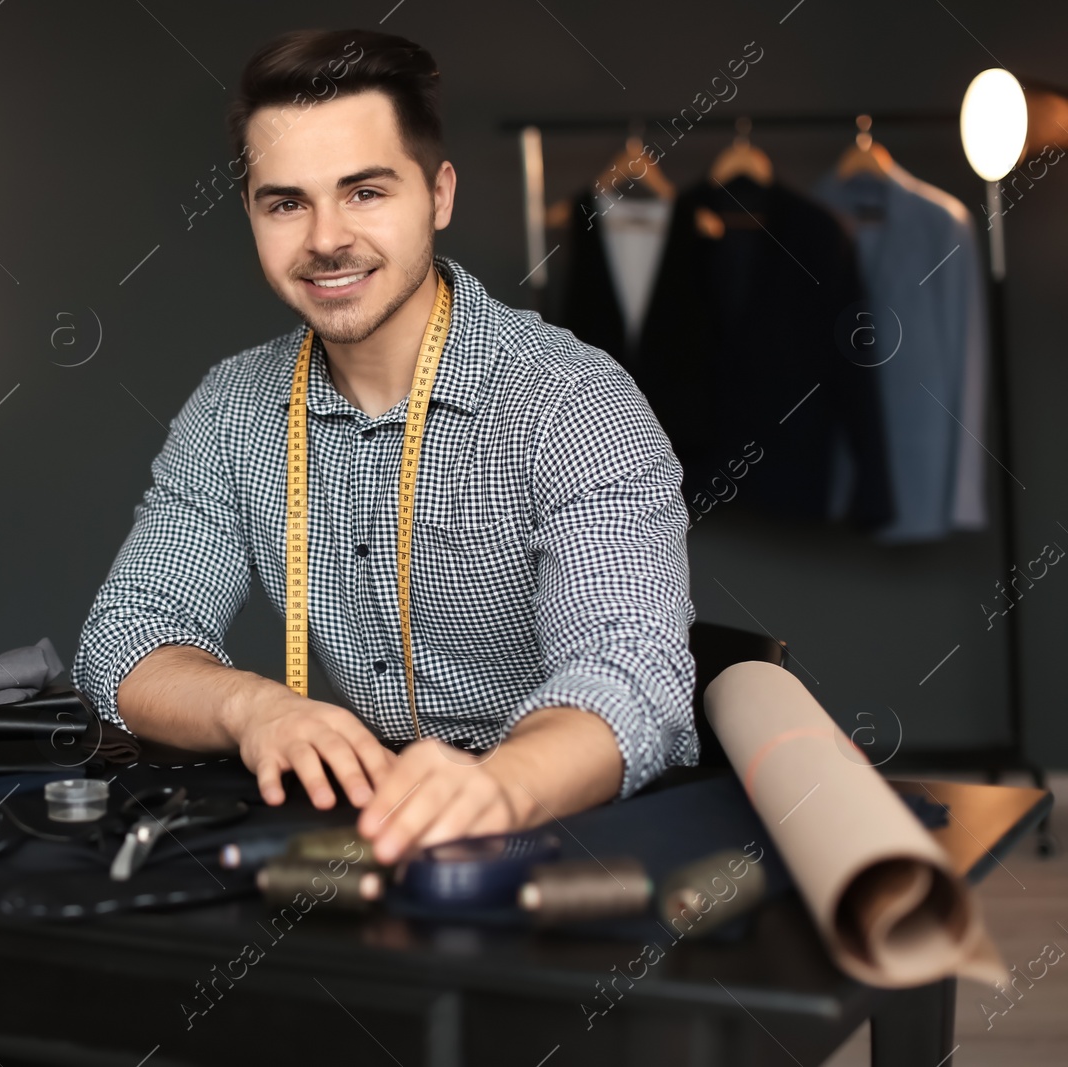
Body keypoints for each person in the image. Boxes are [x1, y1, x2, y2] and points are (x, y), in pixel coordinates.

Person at [73, 28, 696, 865]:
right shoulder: (233, 409)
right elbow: (123, 636)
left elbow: (631, 670)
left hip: (561, 832)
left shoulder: (572, 403)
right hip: (370, 836)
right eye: (286, 202)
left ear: (438, 195)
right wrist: (254, 707)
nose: (326, 238)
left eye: (365, 192)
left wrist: (500, 784)